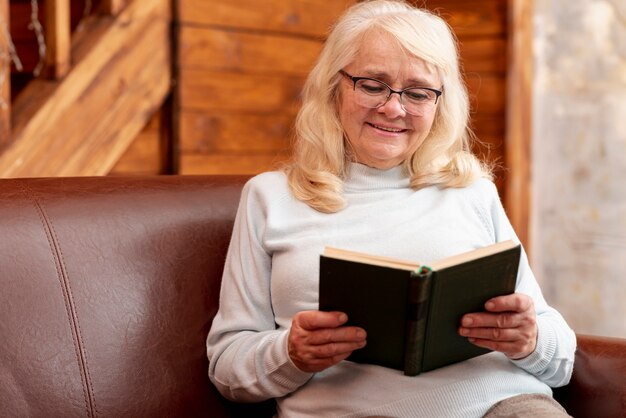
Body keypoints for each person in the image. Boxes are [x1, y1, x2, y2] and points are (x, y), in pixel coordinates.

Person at [206, 1, 576, 416]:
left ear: (439, 104)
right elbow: (227, 368)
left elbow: (562, 358)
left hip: (502, 405)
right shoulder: (269, 198)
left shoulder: (472, 191)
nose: (394, 108)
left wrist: (529, 339)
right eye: (372, 84)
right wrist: (290, 353)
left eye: (418, 93)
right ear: (334, 87)